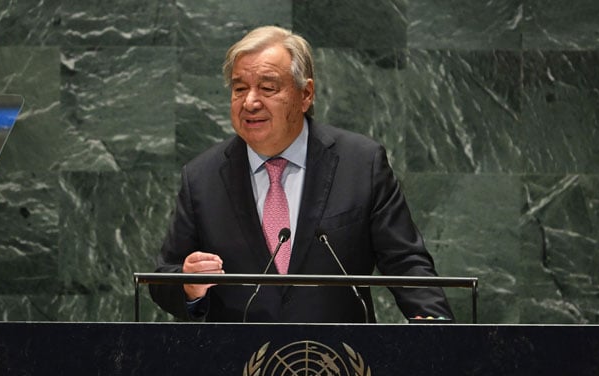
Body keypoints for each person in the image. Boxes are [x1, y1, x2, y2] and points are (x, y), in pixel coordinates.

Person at [149, 25, 454, 323]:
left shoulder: (361, 164)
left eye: (268, 88)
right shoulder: (203, 177)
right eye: (240, 88)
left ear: (305, 94)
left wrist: (437, 330)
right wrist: (188, 285)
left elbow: (405, 263)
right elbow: (164, 278)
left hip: (341, 364)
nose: (250, 102)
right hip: (237, 366)